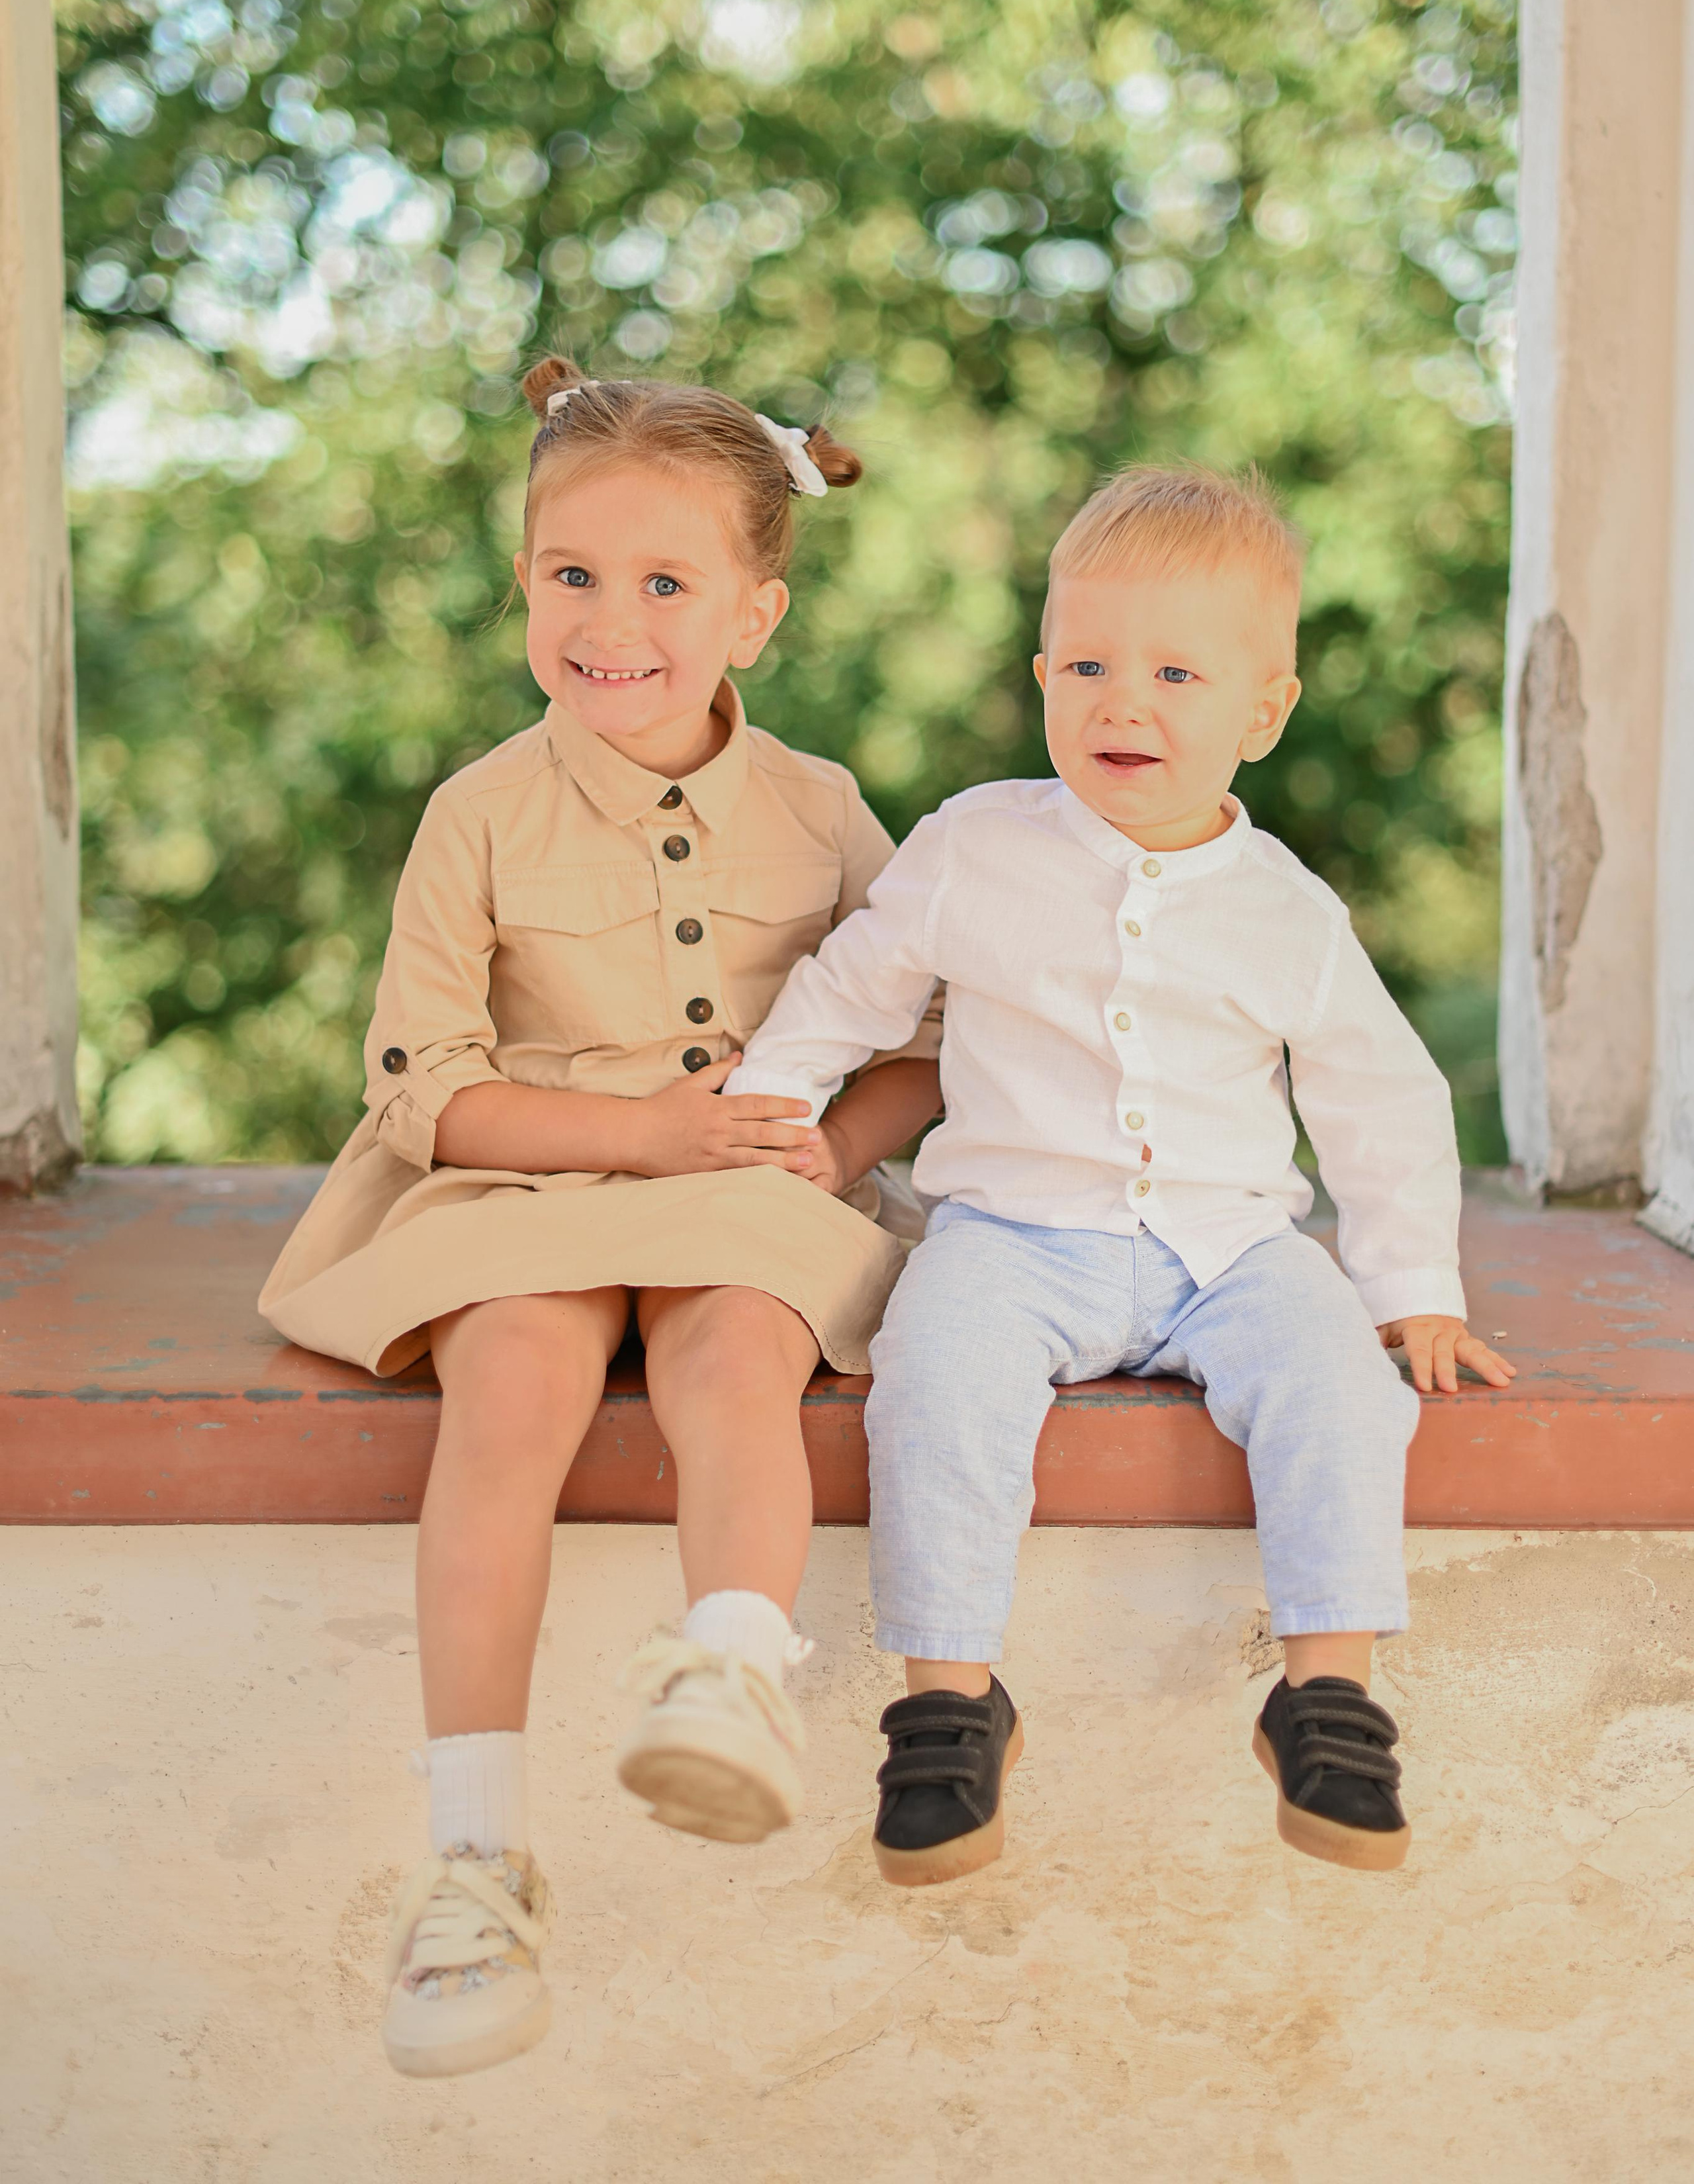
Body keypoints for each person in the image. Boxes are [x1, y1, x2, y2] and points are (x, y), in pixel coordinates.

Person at [259, 358, 940, 2076]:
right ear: (524, 582)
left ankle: (731, 1673)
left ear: (755, 615)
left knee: (735, 1361)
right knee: (508, 1398)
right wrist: (627, 1138)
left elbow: (933, 1034)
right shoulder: (478, 814)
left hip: (747, 1191)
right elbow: (424, 1089)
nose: (610, 620)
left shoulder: (820, 807)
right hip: (536, 1173)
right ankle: (475, 1860)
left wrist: (831, 1145)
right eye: (573, 576)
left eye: (663, 584)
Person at [734, 463, 1515, 1889]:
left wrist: (1411, 1287)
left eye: (1172, 672)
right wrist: (772, 1095)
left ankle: (1324, 1694)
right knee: (935, 1380)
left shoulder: (1284, 907)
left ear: (1260, 712)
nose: (1122, 702)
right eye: (1085, 664)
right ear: (1042, 675)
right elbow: (854, 979)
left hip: (1229, 1246)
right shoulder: (977, 843)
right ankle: (947, 1706)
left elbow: (1376, 1092)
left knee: (1338, 1384)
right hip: (1013, 1233)